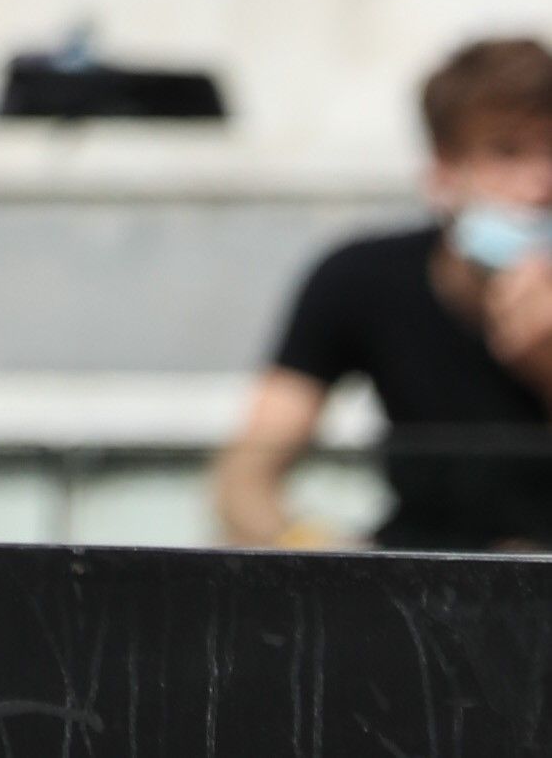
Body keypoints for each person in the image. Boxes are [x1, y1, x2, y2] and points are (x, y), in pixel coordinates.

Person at [213, 36, 552, 554]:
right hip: (418, 581)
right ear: (444, 170)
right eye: (506, 153)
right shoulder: (363, 277)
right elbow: (244, 480)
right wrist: (324, 557)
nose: (540, 185)